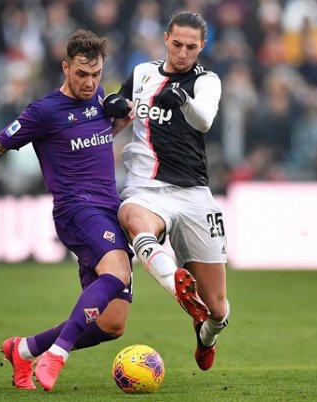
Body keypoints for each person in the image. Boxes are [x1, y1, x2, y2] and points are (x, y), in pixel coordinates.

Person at [0, 30, 135, 392]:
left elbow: (91, 146)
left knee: (112, 324)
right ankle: (56, 355)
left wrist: (119, 125)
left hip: (108, 209)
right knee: (117, 270)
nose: (90, 83)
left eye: (96, 74)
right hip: (75, 209)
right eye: (82, 74)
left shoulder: (99, 98)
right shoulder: (44, 112)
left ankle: (24, 349)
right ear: (65, 67)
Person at [103, 11, 230, 371]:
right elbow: (119, 119)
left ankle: (205, 335)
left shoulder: (207, 81)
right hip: (146, 188)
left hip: (193, 194)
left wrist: (184, 102)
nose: (183, 53)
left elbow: (204, 119)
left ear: (202, 46)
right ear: (165, 39)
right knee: (132, 217)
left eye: (191, 47)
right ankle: (179, 290)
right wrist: (110, 108)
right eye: (177, 44)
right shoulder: (143, 73)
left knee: (218, 310)